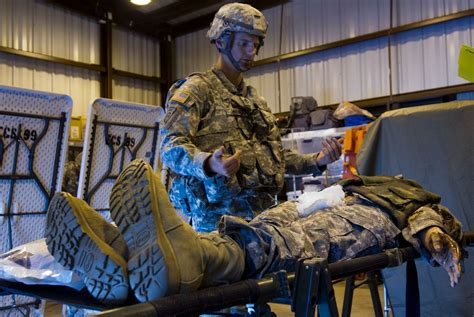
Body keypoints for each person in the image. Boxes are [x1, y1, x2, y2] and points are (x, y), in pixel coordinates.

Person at [45, 159, 462, 306]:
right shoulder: (364, 183)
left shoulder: (413, 196)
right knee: (261, 232)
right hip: (310, 208)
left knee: (286, 244)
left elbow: (432, 219)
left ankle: (183, 260)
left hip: (362, 224)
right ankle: (130, 258)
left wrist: (434, 238)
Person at [160, 2, 343, 232]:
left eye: (256, 45)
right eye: (244, 44)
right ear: (222, 41)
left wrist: (317, 161)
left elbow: (275, 158)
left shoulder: (255, 101)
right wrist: (208, 163)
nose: (252, 52)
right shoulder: (197, 90)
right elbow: (169, 146)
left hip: (263, 223)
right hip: (216, 228)